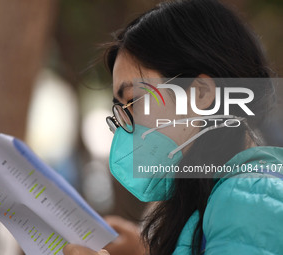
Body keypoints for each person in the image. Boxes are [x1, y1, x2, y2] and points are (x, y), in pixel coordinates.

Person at [64, 0, 283, 254]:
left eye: (134, 101)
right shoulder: (217, 195)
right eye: (121, 110)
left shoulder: (246, 198)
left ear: (200, 95)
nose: (125, 129)